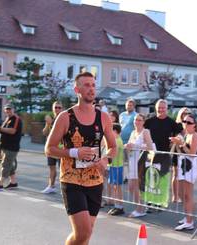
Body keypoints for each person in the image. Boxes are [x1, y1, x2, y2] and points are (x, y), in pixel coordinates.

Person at [45, 72, 117, 245]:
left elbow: (113, 147)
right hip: (72, 180)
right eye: (86, 85)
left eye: (93, 85)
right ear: (77, 90)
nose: (91, 89)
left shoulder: (103, 117)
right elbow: (49, 149)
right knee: (83, 232)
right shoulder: (65, 117)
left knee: (87, 233)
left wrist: (106, 159)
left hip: (95, 181)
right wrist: (74, 153)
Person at [170, 114, 197, 231]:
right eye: (184, 121)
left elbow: (192, 153)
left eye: (189, 122)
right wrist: (177, 143)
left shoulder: (195, 135)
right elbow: (182, 151)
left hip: (190, 167)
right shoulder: (186, 135)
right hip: (184, 166)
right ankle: (188, 216)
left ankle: (189, 221)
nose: (186, 124)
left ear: (194, 125)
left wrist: (181, 143)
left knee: (187, 195)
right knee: (182, 194)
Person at [125, 113, 154, 218]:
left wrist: (136, 145)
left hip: (141, 162)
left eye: (139, 120)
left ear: (143, 122)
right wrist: (127, 146)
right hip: (133, 161)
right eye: (135, 120)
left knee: (138, 186)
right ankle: (140, 206)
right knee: (131, 187)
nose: (137, 122)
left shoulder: (145, 132)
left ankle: (140, 209)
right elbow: (129, 145)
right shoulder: (133, 132)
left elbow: (150, 147)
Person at [0, 104, 22, 189]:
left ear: (13, 109)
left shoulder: (16, 119)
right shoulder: (7, 119)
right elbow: (2, 131)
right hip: (4, 145)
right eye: (6, 109)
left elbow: (12, 131)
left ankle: (0, 183)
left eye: (9, 109)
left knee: (5, 164)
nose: (8, 111)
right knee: (9, 164)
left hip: (12, 146)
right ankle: (13, 182)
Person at [41, 101, 63, 194]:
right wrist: (47, 124)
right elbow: (45, 133)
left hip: (61, 149)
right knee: (52, 168)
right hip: (51, 148)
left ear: (62, 109)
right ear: (53, 109)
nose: (57, 109)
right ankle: (51, 186)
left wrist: (51, 123)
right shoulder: (51, 119)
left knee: (63, 169)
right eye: (55, 107)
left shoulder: (63, 119)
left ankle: (64, 188)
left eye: (59, 107)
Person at [171, 107, 191, 203]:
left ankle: (182, 195)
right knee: (176, 174)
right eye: (183, 113)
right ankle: (175, 196)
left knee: (184, 175)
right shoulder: (177, 125)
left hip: (186, 151)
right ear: (180, 114)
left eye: (187, 113)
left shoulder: (189, 124)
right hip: (177, 151)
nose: (185, 114)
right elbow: (174, 138)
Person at [107, 124, 125, 216]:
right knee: (115, 186)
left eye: (111, 131)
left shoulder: (117, 141)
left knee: (118, 187)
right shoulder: (115, 140)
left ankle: (120, 207)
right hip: (113, 166)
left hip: (118, 166)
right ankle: (116, 205)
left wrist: (106, 155)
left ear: (115, 131)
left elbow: (113, 153)